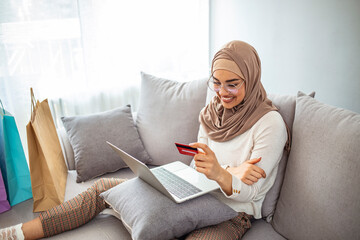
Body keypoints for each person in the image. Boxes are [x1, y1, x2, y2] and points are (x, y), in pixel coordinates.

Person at [0, 40, 288, 240]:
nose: (222, 92)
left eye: (232, 84)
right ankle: (19, 232)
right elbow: (201, 169)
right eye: (216, 82)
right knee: (103, 189)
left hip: (231, 213)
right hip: (191, 194)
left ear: (251, 78)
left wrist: (221, 173)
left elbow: (251, 194)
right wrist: (230, 172)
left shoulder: (269, 124)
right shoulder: (211, 112)